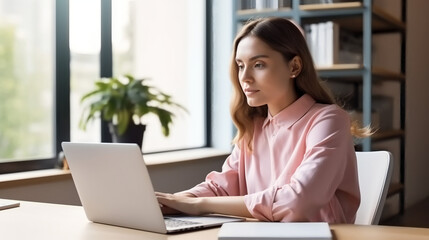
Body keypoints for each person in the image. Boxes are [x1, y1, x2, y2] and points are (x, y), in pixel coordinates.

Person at [156, 17, 371, 223]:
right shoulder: (253, 127)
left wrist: (201, 204)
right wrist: (171, 201)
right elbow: (221, 187)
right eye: (241, 65)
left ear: (294, 66)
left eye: (258, 64)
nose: (245, 77)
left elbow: (297, 202)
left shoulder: (329, 120)